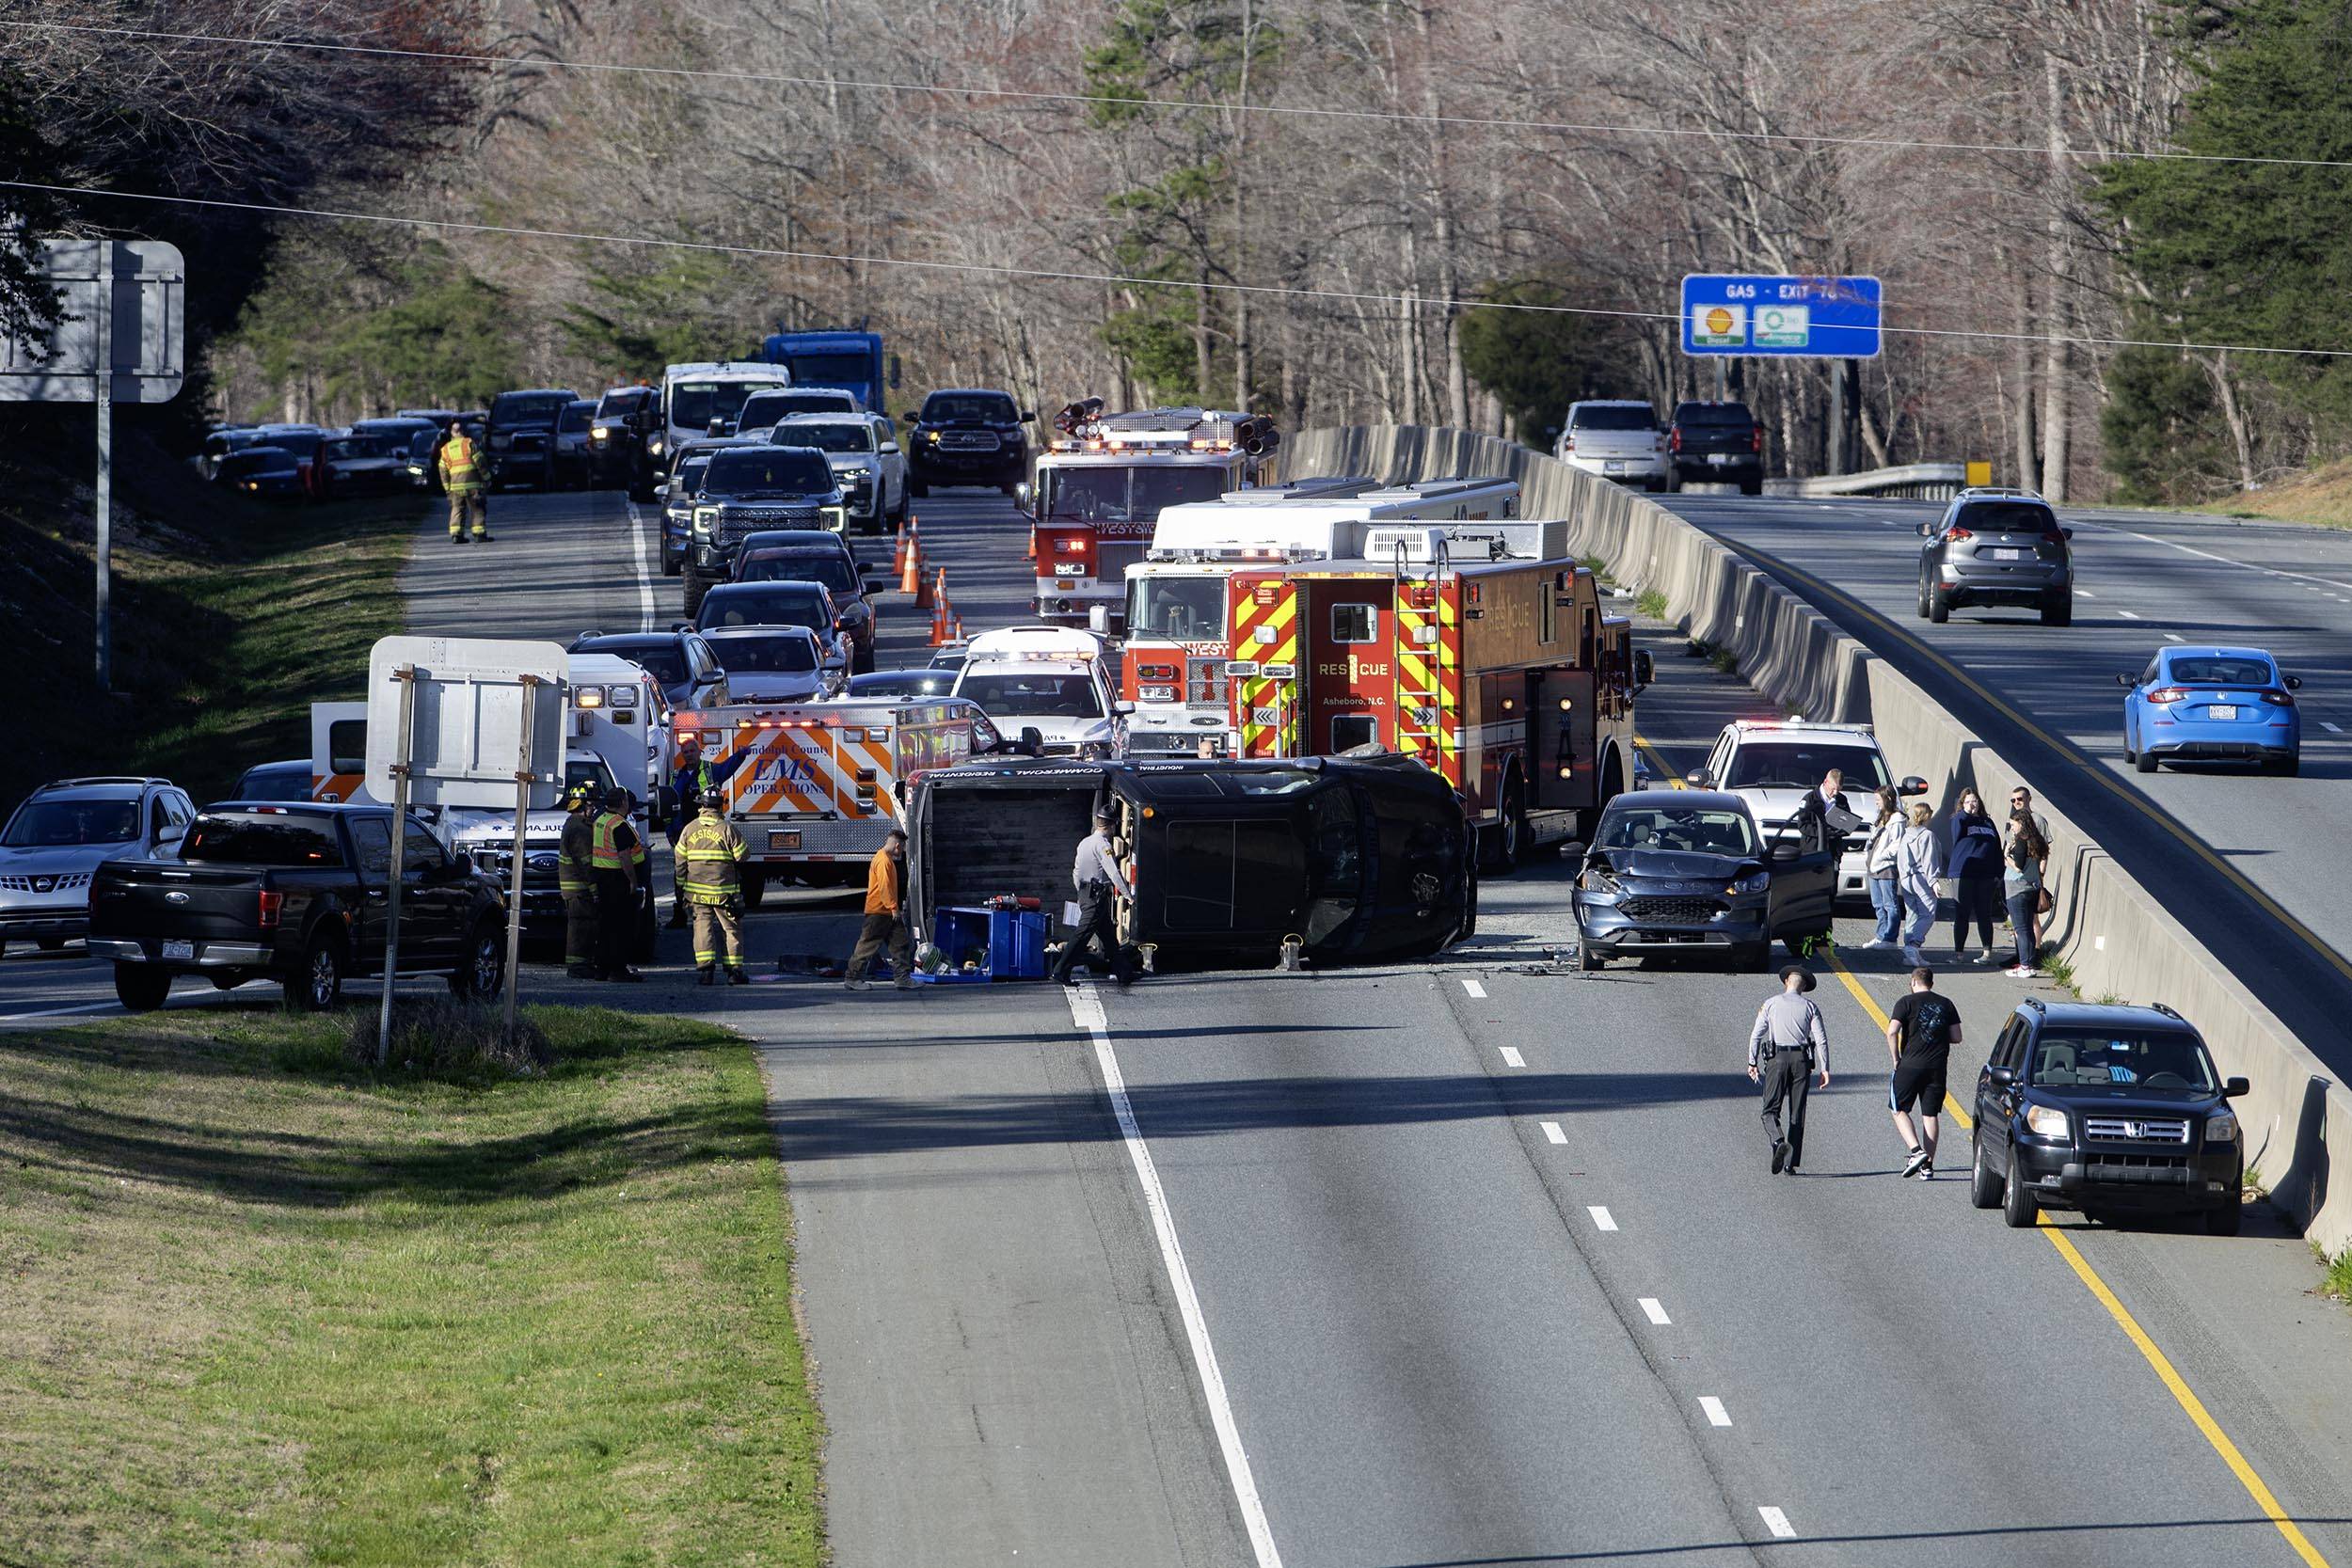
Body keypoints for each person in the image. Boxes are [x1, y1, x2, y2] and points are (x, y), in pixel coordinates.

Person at [1748, 964, 1831, 1174]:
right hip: (1801, 1061)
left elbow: (1756, 1035)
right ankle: (1789, 1163)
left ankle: (1778, 1141)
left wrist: (1752, 1062)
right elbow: (1821, 1040)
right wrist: (1825, 1068)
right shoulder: (1811, 1007)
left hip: (1776, 1059)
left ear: (1786, 982)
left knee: (1769, 1110)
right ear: (1803, 987)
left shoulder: (1770, 1003)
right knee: (1797, 1112)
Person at [1884, 966, 1963, 1180]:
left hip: (1910, 1065)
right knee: (1930, 1115)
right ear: (1931, 983)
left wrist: (1896, 1059)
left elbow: (1892, 1032)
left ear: (1913, 982)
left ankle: (1916, 1151)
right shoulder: (1946, 1004)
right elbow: (1957, 1037)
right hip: (1937, 1067)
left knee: (1898, 1108)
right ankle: (1927, 1168)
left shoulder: (1905, 1002)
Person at [1051, 807, 1138, 987]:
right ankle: (1060, 971)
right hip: (1096, 897)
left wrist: (1081, 892)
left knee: (1109, 939)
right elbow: (1113, 873)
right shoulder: (1103, 845)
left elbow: (1076, 872)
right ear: (1112, 825)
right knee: (1082, 935)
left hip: (1086, 893)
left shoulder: (1084, 843)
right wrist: (1127, 895)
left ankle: (1124, 973)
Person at [667, 736, 748, 928]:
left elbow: (728, 767)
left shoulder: (711, 770)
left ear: (699, 752)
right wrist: (670, 830)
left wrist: (740, 756)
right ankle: (681, 913)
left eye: (692, 751)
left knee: (712, 869)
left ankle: (720, 910)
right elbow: (669, 804)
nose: (689, 755)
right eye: (685, 752)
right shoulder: (676, 776)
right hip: (682, 832)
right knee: (681, 870)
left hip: (706, 830)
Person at [675, 796, 750, 985]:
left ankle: (706, 971)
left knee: (702, 929)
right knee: (731, 929)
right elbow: (742, 856)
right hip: (724, 892)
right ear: (720, 806)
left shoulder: (689, 829)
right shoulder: (727, 828)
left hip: (697, 893)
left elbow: (680, 861)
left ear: (702, 805)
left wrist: (681, 884)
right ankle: (734, 972)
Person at [845, 828, 913, 990]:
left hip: (885, 911)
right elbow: (884, 887)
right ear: (897, 845)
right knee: (867, 946)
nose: (902, 851)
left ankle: (903, 979)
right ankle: (853, 978)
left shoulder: (883, 858)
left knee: (900, 944)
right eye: (902, 847)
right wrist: (893, 908)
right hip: (880, 912)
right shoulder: (884, 861)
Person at [590, 786, 645, 982]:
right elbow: (624, 856)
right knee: (621, 927)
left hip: (603, 877)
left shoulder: (601, 819)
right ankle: (618, 970)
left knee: (606, 925)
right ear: (623, 802)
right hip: (618, 879)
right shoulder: (619, 825)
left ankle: (602, 969)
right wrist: (632, 881)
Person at [1946, 787, 2002, 963]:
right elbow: (1957, 830)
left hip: (1985, 875)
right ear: (1962, 804)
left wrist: (1999, 872)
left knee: (1984, 913)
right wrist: (1965, 813)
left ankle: (1987, 953)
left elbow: (1997, 847)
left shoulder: (1988, 822)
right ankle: (1959, 954)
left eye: (1975, 801)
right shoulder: (1960, 819)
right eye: (1968, 802)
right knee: (1962, 913)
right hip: (1963, 872)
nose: (1972, 804)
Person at [2003, 788, 2051, 978]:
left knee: (2021, 929)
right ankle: (2028, 963)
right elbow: (2043, 854)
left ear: (2021, 823)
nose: (2013, 828)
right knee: (2028, 927)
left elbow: (2018, 867)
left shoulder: (2022, 840)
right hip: (2031, 886)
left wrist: (2007, 856)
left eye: (2014, 825)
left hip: (2018, 888)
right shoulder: (2035, 839)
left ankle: (2024, 965)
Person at [557, 781, 599, 979]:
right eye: (591, 804)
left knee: (584, 927)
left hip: (575, 888)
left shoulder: (573, 823)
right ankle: (578, 967)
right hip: (579, 889)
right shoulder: (579, 829)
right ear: (582, 805)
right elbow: (587, 863)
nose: (594, 808)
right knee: (580, 928)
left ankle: (583, 964)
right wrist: (595, 889)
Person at [1894, 800, 1941, 967]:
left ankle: (1910, 951)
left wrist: (1903, 876)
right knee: (1928, 913)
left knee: (1912, 913)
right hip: (1921, 878)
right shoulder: (1927, 835)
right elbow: (1929, 860)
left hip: (1906, 879)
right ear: (1927, 816)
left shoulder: (1906, 834)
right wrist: (1933, 881)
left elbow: (1900, 858)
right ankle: (1913, 946)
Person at [1858, 784, 1903, 949]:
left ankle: (1890, 938)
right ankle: (1880, 935)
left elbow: (1896, 845)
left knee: (1890, 904)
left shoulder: (1897, 820)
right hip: (1873, 866)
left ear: (1888, 799)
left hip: (1886, 867)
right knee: (1878, 904)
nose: (1876, 802)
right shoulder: (1880, 817)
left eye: (1878, 799)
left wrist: (1882, 855)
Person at [1790, 768, 1866, 856]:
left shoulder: (1841, 799)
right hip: (1812, 849)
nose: (1835, 793)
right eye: (1833, 789)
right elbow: (1803, 825)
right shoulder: (1810, 799)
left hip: (1833, 851)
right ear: (1826, 782)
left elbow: (1846, 822)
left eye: (1839, 790)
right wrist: (1824, 832)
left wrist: (1842, 829)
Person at [438, 421, 491, 543]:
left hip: (455, 486)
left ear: (451, 433)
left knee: (457, 509)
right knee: (477, 508)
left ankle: (456, 535)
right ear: (463, 431)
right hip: (473, 484)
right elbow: (480, 461)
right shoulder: (469, 443)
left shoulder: (445, 449)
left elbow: (443, 470)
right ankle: (479, 534)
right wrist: (487, 478)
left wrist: (447, 487)